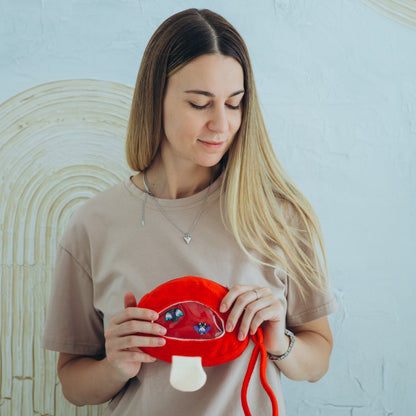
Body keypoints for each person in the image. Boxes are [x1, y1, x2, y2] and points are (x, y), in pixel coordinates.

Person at [42, 8, 337, 416]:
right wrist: (115, 366)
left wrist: (280, 343)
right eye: (200, 103)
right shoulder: (93, 224)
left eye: (234, 104)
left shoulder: (279, 217)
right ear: (154, 99)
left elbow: (318, 358)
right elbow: (73, 383)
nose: (221, 124)